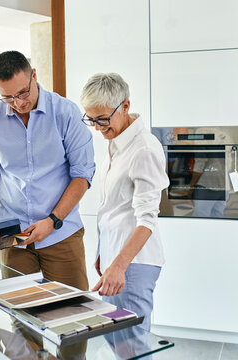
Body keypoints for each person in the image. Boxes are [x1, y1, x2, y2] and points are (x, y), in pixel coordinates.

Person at [0, 51, 95, 291]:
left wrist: (53, 220)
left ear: (34, 75)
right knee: (22, 316)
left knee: (73, 313)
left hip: (60, 232)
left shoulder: (66, 113)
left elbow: (82, 175)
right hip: (11, 236)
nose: (19, 103)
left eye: (23, 92)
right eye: (7, 97)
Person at [80, 73, 169, 331]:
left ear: (125, 106)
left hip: (134, 264)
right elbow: (114, 208)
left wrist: (117, 264)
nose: (97, 127)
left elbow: (147, 220)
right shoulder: (116, 142)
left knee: (132, 346)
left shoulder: (143, 149)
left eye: (103, 119)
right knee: (117, 341)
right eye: (91, 120)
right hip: (117, 259)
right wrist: (103, 252)